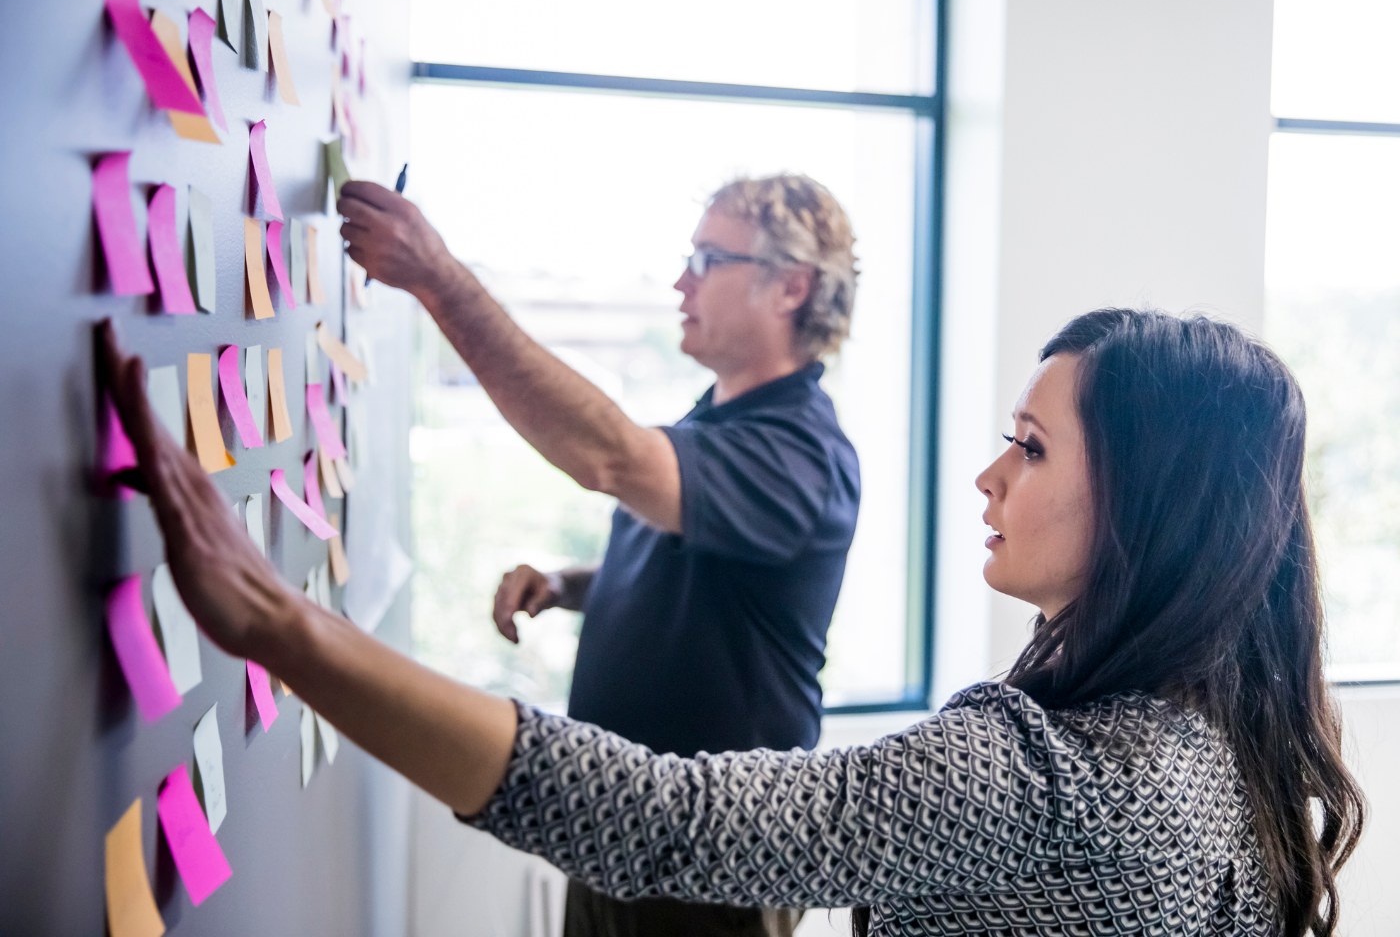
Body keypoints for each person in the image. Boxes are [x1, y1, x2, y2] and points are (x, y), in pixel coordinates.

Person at [98, 305, 1366, 937]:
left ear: (1146, 501)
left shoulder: (1040, 773)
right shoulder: (1214, 745)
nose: (987, 479)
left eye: (1027, 449)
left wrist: (285, 628)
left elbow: (669, 820)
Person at [338, 173, 861, 936]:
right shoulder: (717, 422)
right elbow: (702, 570)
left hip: (716, 857)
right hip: (623, 827)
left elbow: (609, 459)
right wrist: (566, 584)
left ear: (791, 287)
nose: (683, 281)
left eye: (711, 259)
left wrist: (440, 281)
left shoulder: (800, 455)